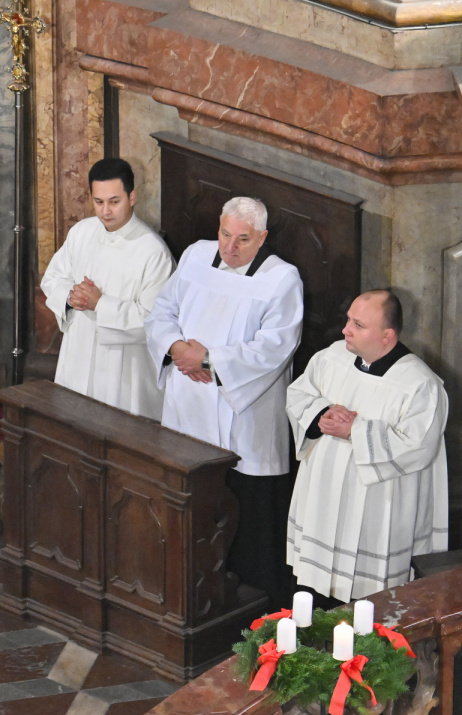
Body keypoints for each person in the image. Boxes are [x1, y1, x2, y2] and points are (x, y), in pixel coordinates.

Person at [145, 196, 303, 606]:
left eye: (243, 239)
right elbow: (161, 311)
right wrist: (177, 347)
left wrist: (211, 361)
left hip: (242, 418)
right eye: (225, 234)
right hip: (186, 405)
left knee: (244, 517)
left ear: (263, 238)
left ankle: (249, 605)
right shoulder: (197, 256)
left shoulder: (281, 279)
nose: (230, 247)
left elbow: (276, 347)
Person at [286, 290, 448, 602]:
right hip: (324, 498)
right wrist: (322, 412)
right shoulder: (332, 357)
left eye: (358, 325)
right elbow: (299, 394)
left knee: (371, 603)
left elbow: (418, 447)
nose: (345, 329)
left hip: (378, 507)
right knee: (316, 596)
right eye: (348, 320)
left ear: (387, 335)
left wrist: (354, 430)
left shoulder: (420, 384)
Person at [41, 157, 173, 418]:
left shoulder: (153, 252)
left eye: (115, 201)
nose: (105, 211)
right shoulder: (82, 232)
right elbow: (53, 277)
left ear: (132, 197)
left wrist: (100, 304)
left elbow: (154, 321)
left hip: (123, 373)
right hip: (77, 356)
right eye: (98, 202)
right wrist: (71, 296)